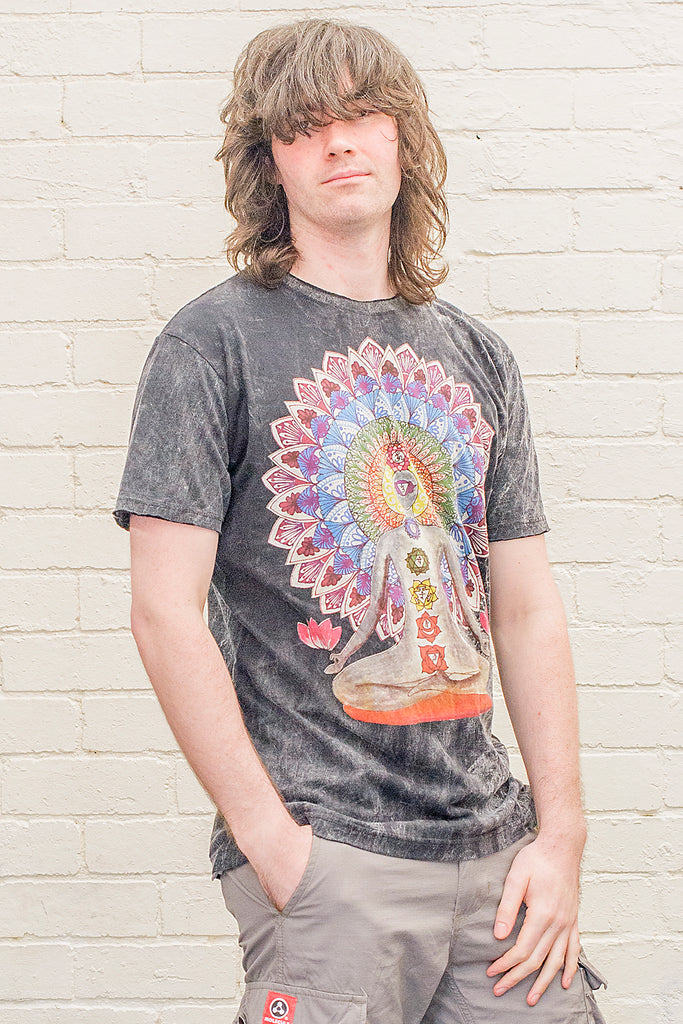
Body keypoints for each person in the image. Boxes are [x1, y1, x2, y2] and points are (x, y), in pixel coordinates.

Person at [113, 18, 607, 1024]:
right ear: (270, 162)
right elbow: (165, 612)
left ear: (401, 140)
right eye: (304, 124)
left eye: (361, 113)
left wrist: (559, 835)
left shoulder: (477, 356)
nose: (338, 140)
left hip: (497, 857)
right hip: (328, 851)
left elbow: (522, 610)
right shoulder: (209, 344)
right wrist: (274, 842)